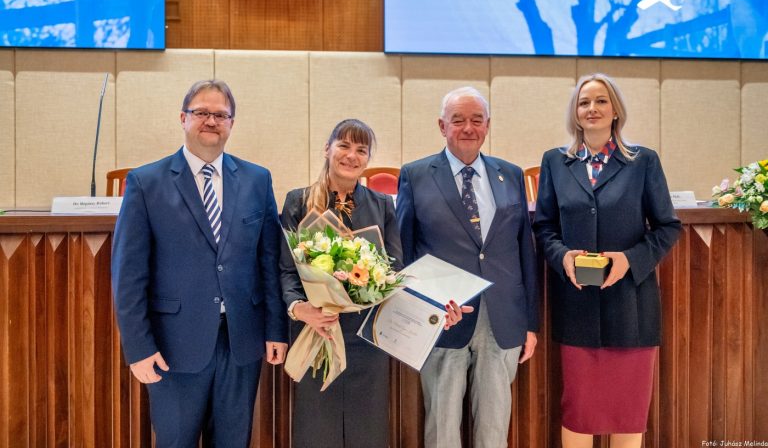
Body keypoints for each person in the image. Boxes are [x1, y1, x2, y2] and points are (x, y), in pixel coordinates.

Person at [111, 79, 288, 448]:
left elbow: (269, 260)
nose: (211, 121)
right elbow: (128, 275)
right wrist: (138, 348)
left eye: (221, 115)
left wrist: (276, 329)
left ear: (232, 123)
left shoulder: (257, 179)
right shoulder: (146, 182)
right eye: (202, 113)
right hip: (173, 345)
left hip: (241, 342)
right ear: (183, 118)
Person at [280, 118, 467, 448]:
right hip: (317, 330)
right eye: (344, 146)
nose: (351, 156)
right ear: (327, 149)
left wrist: (436, 312)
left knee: (366, 431)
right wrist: (300, 309)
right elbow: (286, 270)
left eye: (361, 149)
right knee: (316, 430)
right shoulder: (299, 201)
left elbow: (395, 274)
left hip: (368, 335)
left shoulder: (382, 204)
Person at [533, 73, 682, 448]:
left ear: (615, 110)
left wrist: (629, 260)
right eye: (584, 102)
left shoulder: (643, 161)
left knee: (628, 414)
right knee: (579, 414)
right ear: (575, 112)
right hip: (578, 309)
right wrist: (563, 257)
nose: (592, 108)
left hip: (631, 311)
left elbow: (667, 227)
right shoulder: (555, 162)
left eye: (601, 101)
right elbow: (544, 227)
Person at [396, 86, 540, 448]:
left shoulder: (510, 174)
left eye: (477, 120)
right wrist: (416, 312)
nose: (468, 128)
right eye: (458, 120)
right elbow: (403, 252)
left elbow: (524, 251)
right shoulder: (415, 175)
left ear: (488, 125)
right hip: (443, 317)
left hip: (502, 316)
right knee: (442, 425)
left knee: (494, 426)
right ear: (442, 126)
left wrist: (531, 323)